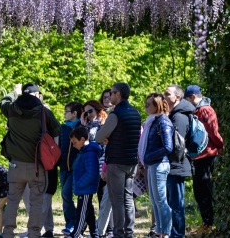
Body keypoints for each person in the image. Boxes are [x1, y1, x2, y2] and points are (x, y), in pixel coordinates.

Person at [0, 83, 61, 238]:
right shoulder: (43, 112)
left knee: (12, 201)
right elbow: (57, 130)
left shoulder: (12, 110)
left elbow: (3, 102)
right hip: (37, 166)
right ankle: (34, 233)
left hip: (15, 166)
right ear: (37, 96)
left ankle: (7, 233)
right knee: (36, 202)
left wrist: (14, 92)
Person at [95, 82, 141, 238]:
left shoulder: (115, 115)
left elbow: (99, 137)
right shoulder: (136, 113)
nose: (109, 96)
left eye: (112, 93)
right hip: (132, 162)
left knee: (117, 200)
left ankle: (118, 233)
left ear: (118, 94)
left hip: (116, 163)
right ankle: (129, 232)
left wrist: (109, 137)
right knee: (128, 198)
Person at [184, 84, 224, 233]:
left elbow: (213, 132)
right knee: (199, 190)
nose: (186, 103)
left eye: (187, 99)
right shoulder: (196, 110)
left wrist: (221, 146)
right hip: (198, 156)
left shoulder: (205, 110)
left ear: (193, 97)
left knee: (204, 189)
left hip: (207, 155)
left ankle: (209, 224)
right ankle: (206, 223)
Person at [139, 93, 173, 238]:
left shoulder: (163, 121)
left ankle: (165, 233)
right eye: (145, 104)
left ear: (156, 105)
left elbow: (168, 147)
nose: (145, 107)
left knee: (160, 200)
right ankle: (160, 231)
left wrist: (147, 157)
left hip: (160, 164)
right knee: (154, 200)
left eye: (148, 104)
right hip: (152, 165)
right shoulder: (152, 121)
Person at [164, 84, 195, 238]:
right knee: (172, 203)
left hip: (177, 165)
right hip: (173, 165)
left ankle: (177, 234)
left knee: (176, 204)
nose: (164, 97)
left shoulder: (180, 116)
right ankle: (174, 233)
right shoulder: (174, 114)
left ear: (178, 97)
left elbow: (177, 145)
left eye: (167, 94)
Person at [68, 125, 101, 238]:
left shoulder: (90, 153)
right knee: (89, 213)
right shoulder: (83, 152)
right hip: (83, 188)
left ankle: (76, 233)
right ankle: (94, 233)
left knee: (81, 213)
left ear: (82, 139)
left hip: (85, 189)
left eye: (74, 142)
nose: (73, 145)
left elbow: (91, 172)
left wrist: (79, 184)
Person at [59, 101, 82, 235]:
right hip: (63, 168)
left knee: (66, 193)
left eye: (66, 112)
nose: (64, 114)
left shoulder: (81, 127)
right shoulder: (63, 128)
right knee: (65, 197)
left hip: (76, 168)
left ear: (74, 113)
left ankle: (75, 222)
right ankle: (69, 224)